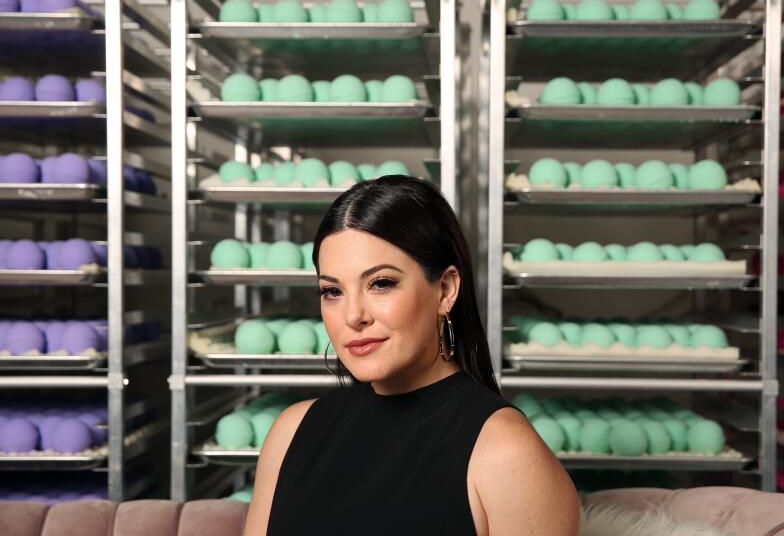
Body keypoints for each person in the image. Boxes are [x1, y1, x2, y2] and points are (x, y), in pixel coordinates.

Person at [243, 175, 578, 535]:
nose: (353, 315)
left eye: (381, 283)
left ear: (446, 290)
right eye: (332, 291)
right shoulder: (291, 432)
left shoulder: (506, 454)